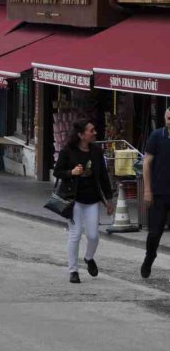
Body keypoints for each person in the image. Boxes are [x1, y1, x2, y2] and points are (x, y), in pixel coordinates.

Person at [53, 120, 114, 284]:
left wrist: (109, 199)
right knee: (75, 234)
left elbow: (103, 177)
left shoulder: (96, 151)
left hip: (92, 199)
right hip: (74, 200)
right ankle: (73, 271)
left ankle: (88, 257)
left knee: (93, 236)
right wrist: (71, 172)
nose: (95, 132)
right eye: (91, 130)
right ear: (81, 135)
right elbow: (57, 171)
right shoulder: (68, 151)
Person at [141, 107, 170, 278]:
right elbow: (146, 162)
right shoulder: (157, 136)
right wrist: (147, 190)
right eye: (168, 118)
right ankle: (149, 257)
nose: (169, 121)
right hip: (158, 193)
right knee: (154, 233)